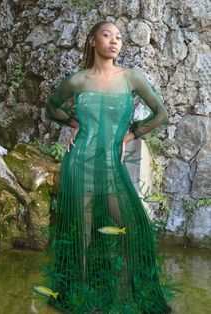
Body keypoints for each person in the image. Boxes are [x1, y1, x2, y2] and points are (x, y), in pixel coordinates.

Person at [44, 21, 172, 314]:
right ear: (92, 41)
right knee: (82, 236)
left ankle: (121, 295)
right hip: (79, 164)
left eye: (119, 37)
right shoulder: (77, 81)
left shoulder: (131, 77)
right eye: (107, 35)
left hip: (111, 167)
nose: (114, 41)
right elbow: (52, 107)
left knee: (132, 229)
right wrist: (73, 122)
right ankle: (82, 299)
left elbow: (161, 113)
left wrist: (133, 134)